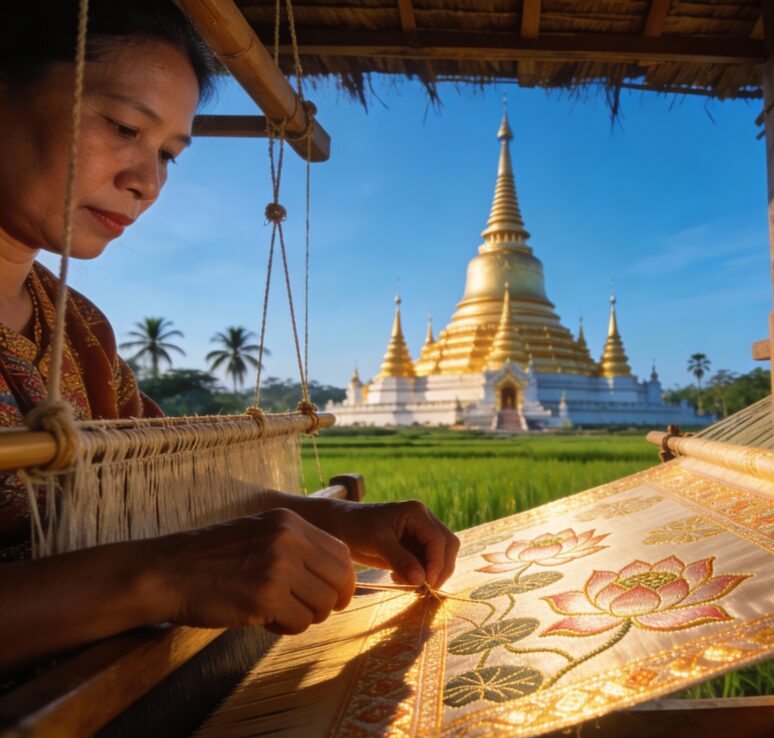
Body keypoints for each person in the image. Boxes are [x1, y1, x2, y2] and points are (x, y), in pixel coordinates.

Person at [0, 2, 466, 671]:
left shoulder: (78, 326)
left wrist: (338, 524)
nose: (147, 182)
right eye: (125, 127)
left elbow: (155, 487)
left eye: (167, 154)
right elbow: (165, 547)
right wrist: (158, 578)